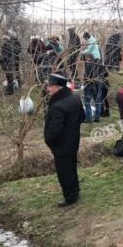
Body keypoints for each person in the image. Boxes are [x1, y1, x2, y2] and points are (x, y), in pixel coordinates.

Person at [44, 73, 85, 207]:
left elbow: (55, 130)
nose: (47, 89)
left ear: (58, 88)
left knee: (64, 172)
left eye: (50, 86)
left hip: (61, 144)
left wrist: (49, 141)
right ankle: (75, 190)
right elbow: (82, 117)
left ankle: (70, 196)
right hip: (73, 140)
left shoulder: (57, 106)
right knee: (71, 167)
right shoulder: (74, 97)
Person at [83, 54, 108, 123]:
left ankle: (89, 118)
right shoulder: (100, 65)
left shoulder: (89, 65)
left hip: (90, 86)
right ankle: (97, 118)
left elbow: (87, 76)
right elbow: (106, 74)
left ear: (89, 57)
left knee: (87, 102)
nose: (86, 59)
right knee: (98, 102)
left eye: (87, 57)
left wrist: (85, 83)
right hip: (99, 86)